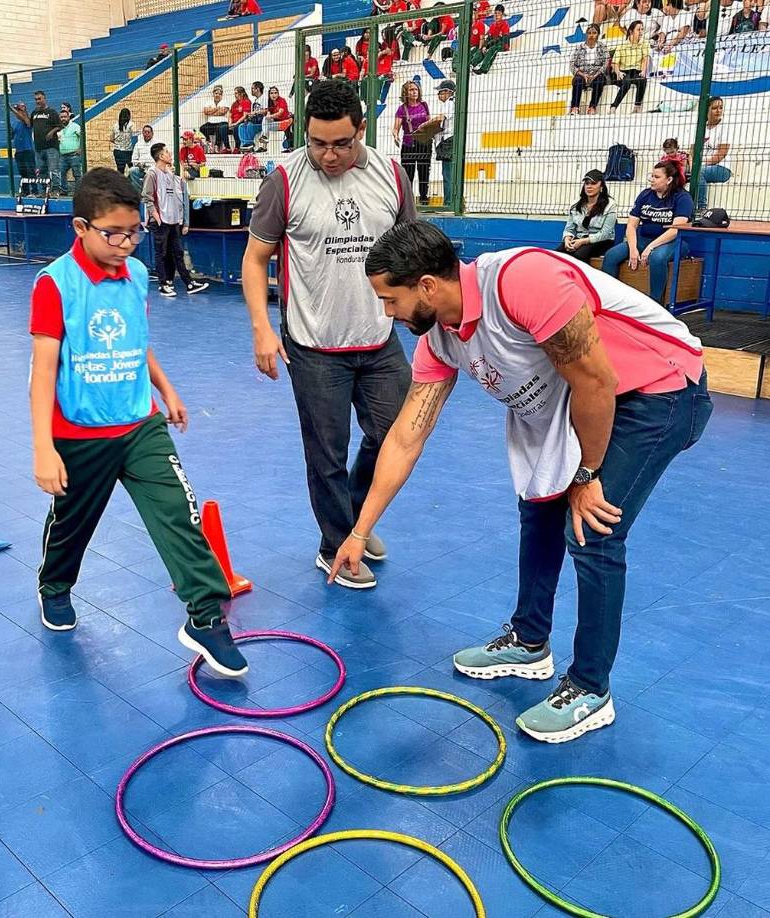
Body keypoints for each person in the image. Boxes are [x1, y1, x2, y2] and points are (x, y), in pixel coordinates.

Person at [331, 220, 712, 743]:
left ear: (425, 286)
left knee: (592, 528)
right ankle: (530, 641)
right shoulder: (439, 339)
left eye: (389, 299)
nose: (386, 313)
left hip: (659, 390)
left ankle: (590, 687)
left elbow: (597, 380)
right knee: (538, 506)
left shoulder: (522, 280)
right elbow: (405, 438)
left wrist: (587, 475)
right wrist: (357, 532)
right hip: (576, 403)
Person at [28, 168, 246, 676]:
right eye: (114, 233)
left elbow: (135, 341)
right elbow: (42, 373)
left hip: (140, 425)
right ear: (80, 228)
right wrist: (44, 447)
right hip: (80, 433)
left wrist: (165, 389)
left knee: (180, 514)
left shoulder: (138, 276)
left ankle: (207, 618)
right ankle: (54, 586)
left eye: (135, 232)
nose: (127, 243)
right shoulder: (55, 285)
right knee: (72, 524)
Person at [241, 81, 416, 589]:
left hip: (379, 339)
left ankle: (354, 526)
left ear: (362, 130)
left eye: (341, 143)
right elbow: (255, 259)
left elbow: (411, 249)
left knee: (395, 436)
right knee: (327, 453)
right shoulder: (285, 179)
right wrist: (260, 329)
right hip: (314, 345)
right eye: (318, 143)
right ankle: (334, 545)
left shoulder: (390, 175)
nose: (329, 154)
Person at [602, 160, 694, 301]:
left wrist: (651, 247)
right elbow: (631, 225)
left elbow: (675, 230)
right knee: (611, 255)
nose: (652, 180)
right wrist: (633, 249)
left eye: (656, 177)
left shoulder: (682, 197)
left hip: (673, 242)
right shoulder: (645, 195)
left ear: (669, 179)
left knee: (657, 258)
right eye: (651, 176)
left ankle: (655, 303)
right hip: (643, 240)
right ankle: (609, 300)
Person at [142, 143, 209, 297]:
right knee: (161, 253)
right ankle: (163, 284)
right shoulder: (152, 174)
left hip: (172, 221)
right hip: (160, 220)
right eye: (166, 152)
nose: (170, 153)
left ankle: (189, 283)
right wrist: (156, 217)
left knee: (177, 252)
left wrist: (181, 220)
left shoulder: (170, 175)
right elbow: (147, 197)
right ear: (160, 156)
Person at [557, 170, 617, 262]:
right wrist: (567, 239)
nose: (589, 186)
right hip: (579, 238)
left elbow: (606, 233)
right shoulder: (576, 204)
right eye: (587, 183)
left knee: (579, 255)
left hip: (601, 241)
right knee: (557, 254)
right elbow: (569, 228)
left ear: (601, 186)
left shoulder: (610, 205)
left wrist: (582, 241)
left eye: (593, 183)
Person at [393, 80, 431, 206]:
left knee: (424, 171)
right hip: (409, 144)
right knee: (408, 173)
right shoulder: (402, 109)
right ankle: (408, 201)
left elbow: (429, 122)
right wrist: (395, 135)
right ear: (406, 92)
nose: (414, 92)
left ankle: (424, 198)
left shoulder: (424, 105)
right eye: (411, 90)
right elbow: (396, 127)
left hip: (424, 143)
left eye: (416, 89)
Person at [695, 97, 731, 209]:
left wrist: (701, 164)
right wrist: (692, 165)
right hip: (702, 165)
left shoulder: (725, 128)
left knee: (699, 172)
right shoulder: (701, 128)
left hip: (721, 168)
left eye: (721, 108)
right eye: (715, 108)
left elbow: (721, 154)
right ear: (706, 110)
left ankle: (701, 208)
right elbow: (693, 152)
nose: (719, 111)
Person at [610, 20, 651, 113]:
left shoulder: (644, 43)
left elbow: (645, 59)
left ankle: (637, 106)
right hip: (623, 71)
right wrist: (618, 72)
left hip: (636, 71)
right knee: (627, 82)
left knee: (642, 80)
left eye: (642, 29)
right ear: (631, 32)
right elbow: (615, 62)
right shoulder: (621, 45)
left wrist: (644, 71)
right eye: (638, 30)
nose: (641, 32)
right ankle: (613, 107)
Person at [569, 23, 608, 114]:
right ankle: (575, 107)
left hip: (597, 74)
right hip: (583, 74)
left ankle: (592, 107)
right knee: (577, 80)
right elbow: (572, 64)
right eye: (589, 33)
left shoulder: (602, 47)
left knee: (600, 80)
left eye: (594, 33)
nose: (591, 35)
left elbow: (606, 63)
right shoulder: (579, 48)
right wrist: (582, 74)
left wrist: (596, 74)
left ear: (598, 34)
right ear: (586, 34)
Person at [29, 90, 61, 194]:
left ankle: (55, 191)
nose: (37, 101)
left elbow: (59, 126)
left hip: (51, 147)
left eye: (39, 99)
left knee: (53, 170)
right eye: (36, 99)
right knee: (41, 171)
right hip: (39, 147)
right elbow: (29, 124)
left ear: (44, 98)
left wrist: (51, 132)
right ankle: (43, 191)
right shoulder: (34, 113)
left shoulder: (52, 112)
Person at [432, 80, 456, 208]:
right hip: (447, 140)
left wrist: (426, 125)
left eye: (440, 92)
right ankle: (450, 201)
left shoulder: (449, 103)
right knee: (448, 172)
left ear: (447, 92)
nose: (438, 95)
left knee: (448, 173)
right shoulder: (452, 103)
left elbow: (441, 118)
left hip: (447, 140)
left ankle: (449, 202)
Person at [470, 4, 511, 74]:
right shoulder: (493, 25)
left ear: (502, 15)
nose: (496, 15)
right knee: (482, 49)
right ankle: (471, 64)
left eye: (499, 14)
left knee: (492, 49)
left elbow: (503, 40)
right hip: (493, 43)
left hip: (502, 45)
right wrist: (485, 46)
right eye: (495, 13)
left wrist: (489, 45)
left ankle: (484, 69)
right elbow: (489, 38)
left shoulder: (505, 25)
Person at [50, 110, 83, 195]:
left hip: (74, 155)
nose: (63, 119)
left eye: (65, 117)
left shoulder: (75, 126)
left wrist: (80, 148)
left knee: (77, 174)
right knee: (61, 173)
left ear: (69, 117)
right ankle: (64, 191)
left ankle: (79, 192)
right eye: (61, 117)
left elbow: (82, 137)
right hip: (63, 156)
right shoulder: (58, 129)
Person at [8, 101, 36, 184]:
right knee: (22, 172)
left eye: (19, 110)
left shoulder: (28, 120)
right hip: (19, 151)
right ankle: (25, 191)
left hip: (27, 150)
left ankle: (35, 190)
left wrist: (11, 108)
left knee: (31, 171)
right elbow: (11, 136)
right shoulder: (15, 123)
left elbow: (25, 120)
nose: (17, 112)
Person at [237, 81, 267, 151]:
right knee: (241, 126)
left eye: (253, 88)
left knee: (250, 125)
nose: (251, 90)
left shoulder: (264, 98)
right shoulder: (254, 101)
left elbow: (265, 111)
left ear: (258, 89)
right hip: (254, 120)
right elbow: (252, 113)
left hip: (261, 122)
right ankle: (246, 144)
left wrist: (255, 112)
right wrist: (250, 115)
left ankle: (250, 144)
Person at [201, 86, 231, 152]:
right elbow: (206, 112)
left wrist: (211, 111)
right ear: (213, 94)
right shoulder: (208, 102)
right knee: (202, 128)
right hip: (211, 122)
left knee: (219, 128)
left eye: (219, 94)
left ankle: (217, 145)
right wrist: (217, 109)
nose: (217, 95)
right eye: (216, 93)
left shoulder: (225, 102)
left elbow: (222, 112)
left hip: (222, 121)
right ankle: (209, 141)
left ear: (221, 95)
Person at [128, 124, 155, 193]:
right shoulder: (138, 144)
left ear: (152, 133)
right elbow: (133, 159)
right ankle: (141, 192)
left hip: (153, 168)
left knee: (151, 172)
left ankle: (149, 192)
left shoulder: (156, 143)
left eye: (148, 132)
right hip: (142, 168)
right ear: (142, 133)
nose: (146, 134)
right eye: (145, 132)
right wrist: (139, 165)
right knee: (132, 170)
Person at [111, 108, 136, 174]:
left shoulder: (115, 125)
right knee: (132, 169)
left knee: (120, 171)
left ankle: (120, 183)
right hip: (128, 151)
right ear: (129, 116)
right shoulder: (131, 124)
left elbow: (111, 139)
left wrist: (118, 142)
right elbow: (135, 135)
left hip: (118, 151)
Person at [229, 86, 252, 151]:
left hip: (242, 121)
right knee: (223, 128)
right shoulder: (234, 104)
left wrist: (236, 123)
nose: (235, 95)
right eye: (235, 93)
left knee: (237, 127)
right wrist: (230, 123)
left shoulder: (246, 102)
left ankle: (237, 146)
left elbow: (245, 116)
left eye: (236, 93)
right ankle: (227, 148)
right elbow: (230, 115)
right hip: (234, 122)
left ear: (242, 93)